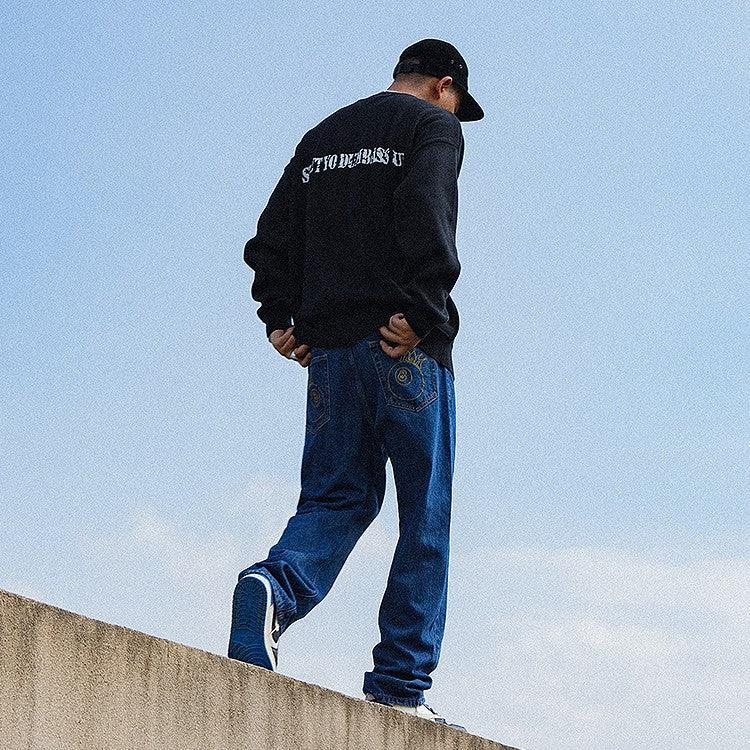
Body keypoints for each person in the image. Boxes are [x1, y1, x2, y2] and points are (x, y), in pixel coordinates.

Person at [228, 38, 484, 731]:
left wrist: (280, 316)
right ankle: (400, 685)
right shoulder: (432, 127)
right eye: (457, 103)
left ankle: (273, 586)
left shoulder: (324, 136)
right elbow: (429, 212)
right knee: (424, 514)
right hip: (405, 347)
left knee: (336, 496)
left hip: (333, 355)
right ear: (444, 85)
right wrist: (423, 312)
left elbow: (270, 237)